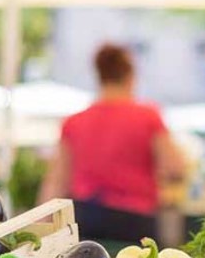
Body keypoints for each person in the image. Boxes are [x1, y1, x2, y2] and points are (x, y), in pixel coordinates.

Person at [38, 43, 185, 242]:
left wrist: (40, 229)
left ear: (99, 76)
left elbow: (56, 182)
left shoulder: (74, 122)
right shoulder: (148, 116)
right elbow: (175, 168)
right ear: (130, 76)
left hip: (86, 219)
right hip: (135, 221)